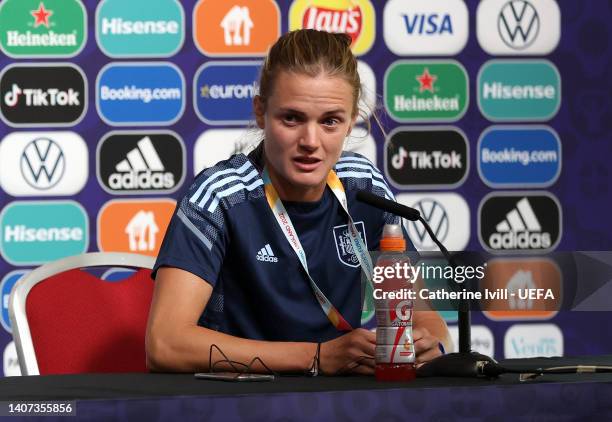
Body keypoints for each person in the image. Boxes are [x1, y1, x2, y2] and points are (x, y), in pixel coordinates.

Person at [146, 29, 451, 375]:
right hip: (237, 401)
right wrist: (318, 358)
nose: (310, 141)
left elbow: (424, 315)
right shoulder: (220, 196)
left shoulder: (364, 186)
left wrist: (431, 344)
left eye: (330, 122)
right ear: (261, 112)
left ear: (351, 122)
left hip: (344, 402)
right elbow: (165, 343)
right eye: (292, 118)